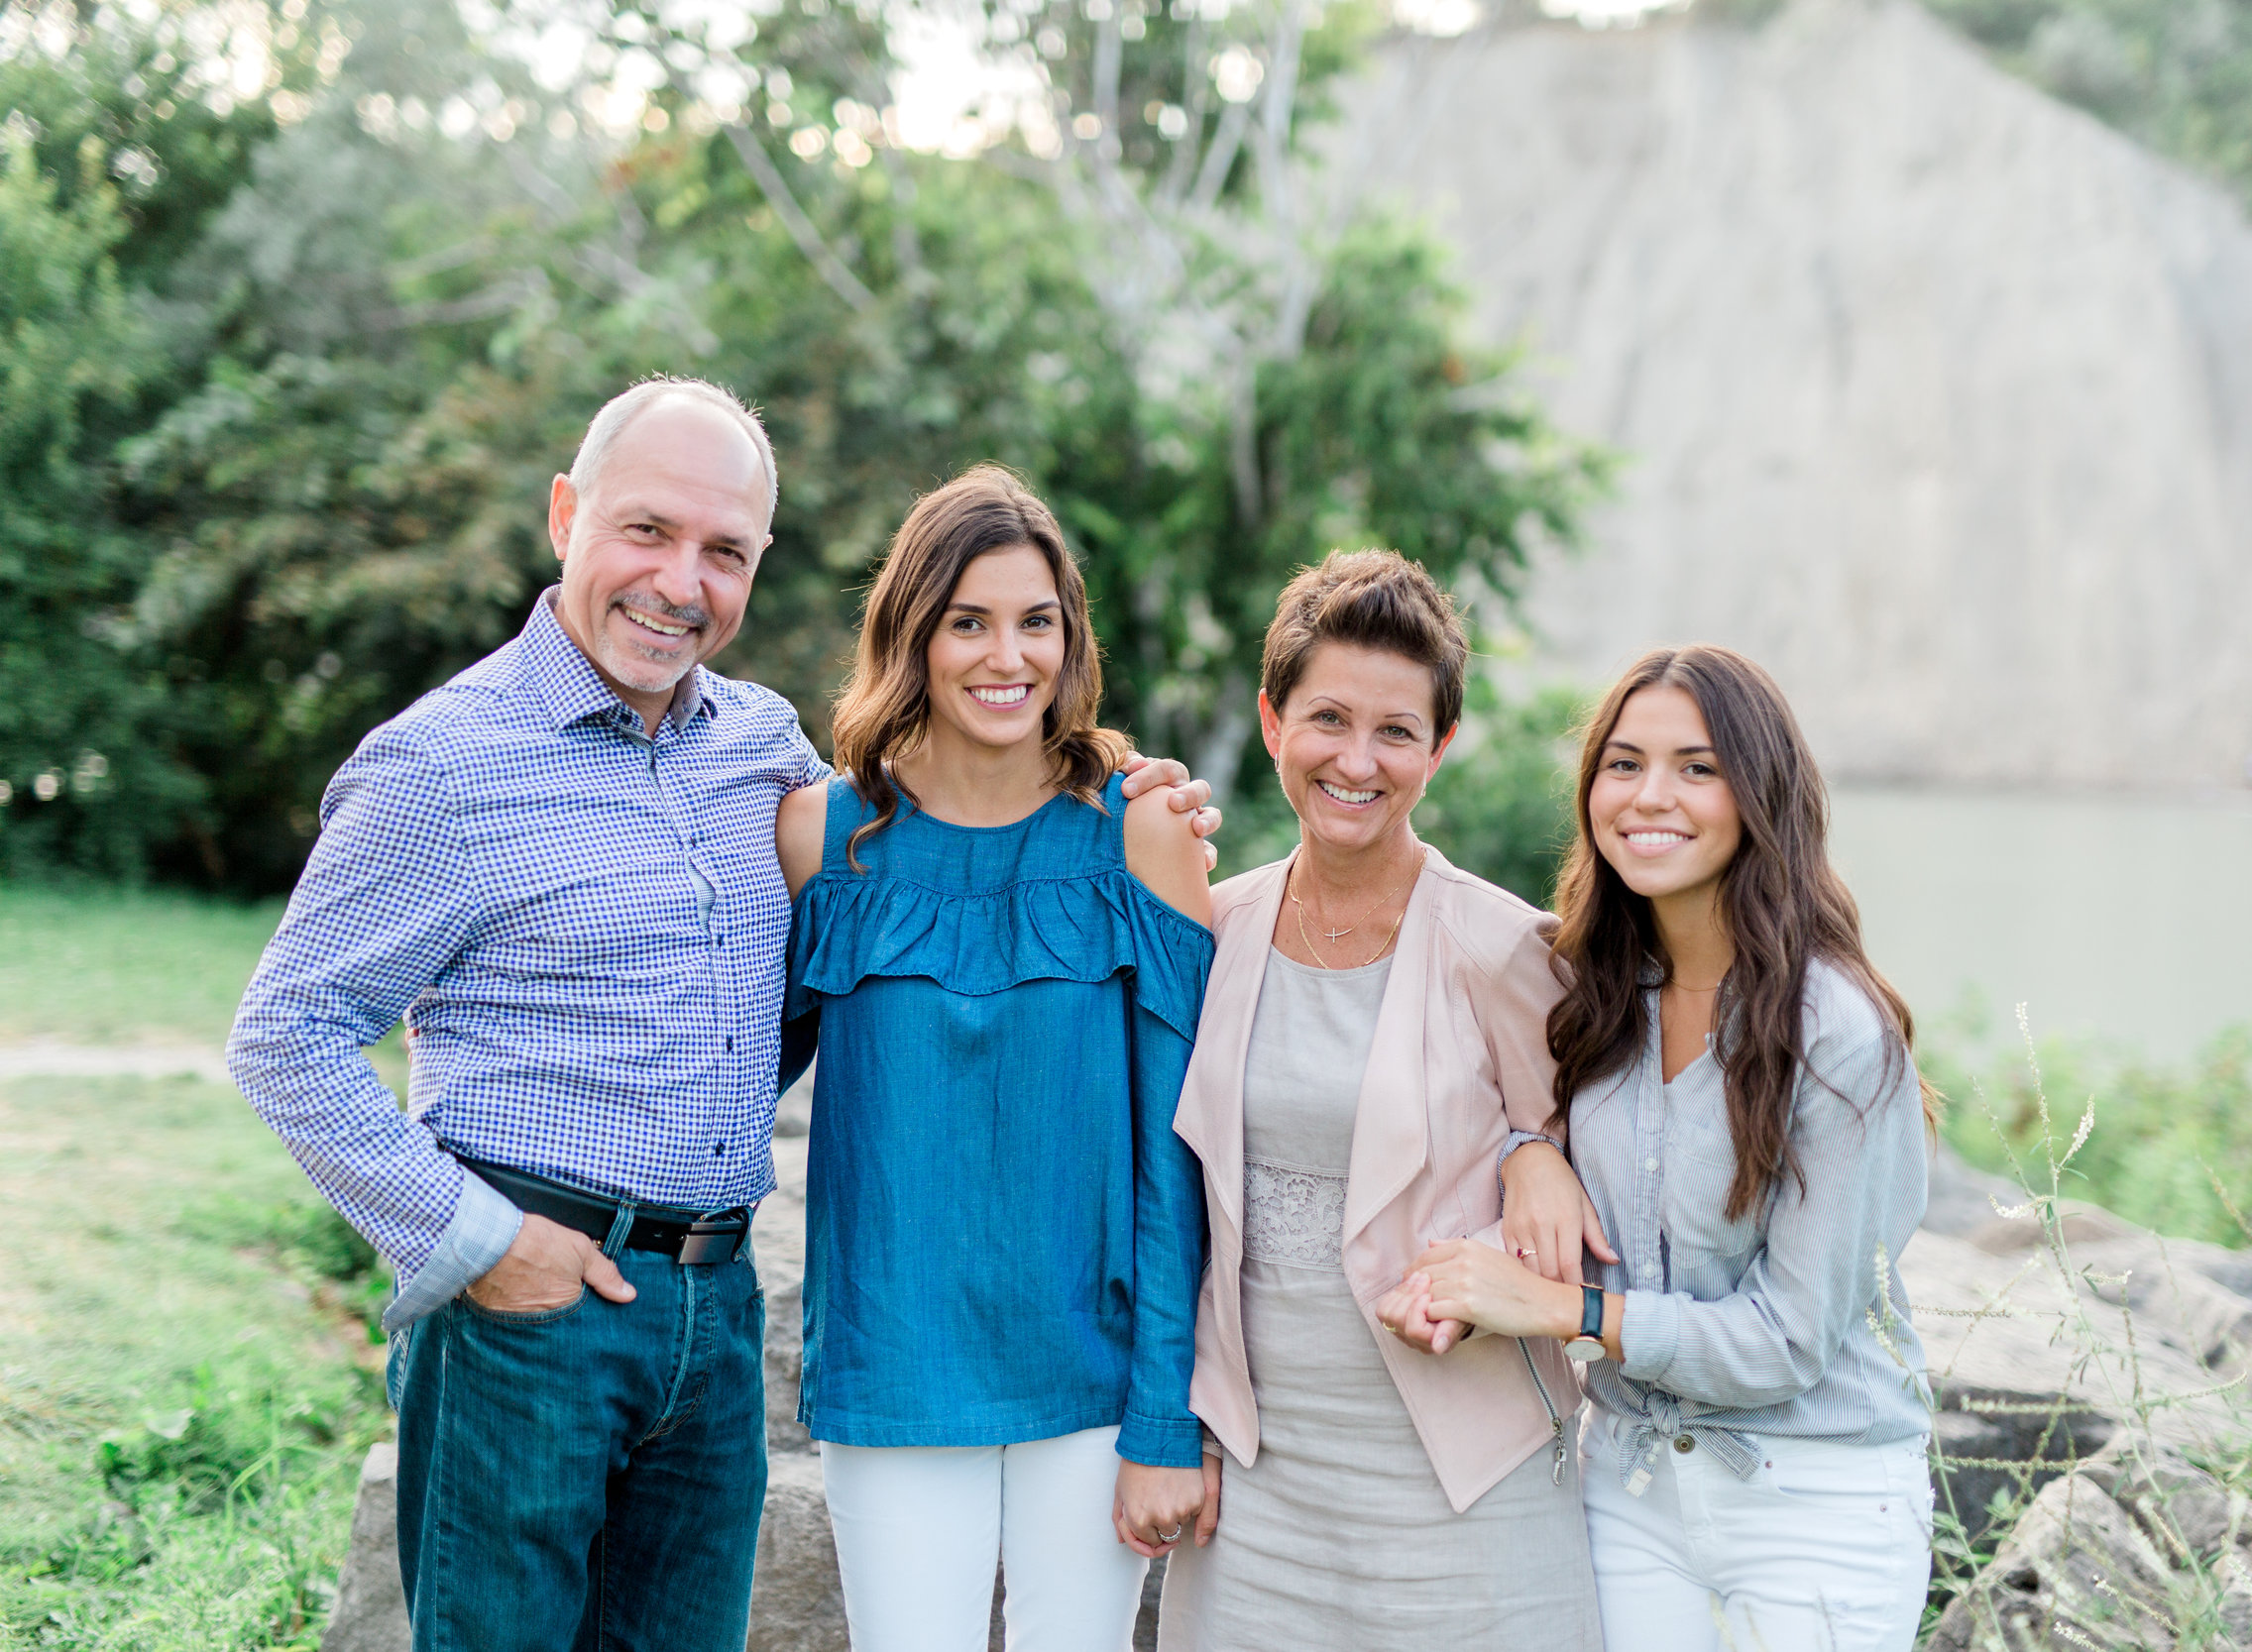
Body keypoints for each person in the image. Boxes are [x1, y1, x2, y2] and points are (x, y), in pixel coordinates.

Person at [227, 384, 1217, 1652]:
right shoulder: (444, 761)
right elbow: (287, 1030)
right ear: (565, 516)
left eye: (724, 551)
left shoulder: (758, 753)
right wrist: (473, 1237)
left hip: (713, 1310)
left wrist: (1136, 794)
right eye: (647, 532)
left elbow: (873, 936)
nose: (679, 581)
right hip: (528, 1307)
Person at [1378, 644, 1939, 1652]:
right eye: (1623, 762)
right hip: (1628, 1487)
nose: (1649, 796)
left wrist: (1561, 1309)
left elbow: (1788, 1338)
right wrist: (1524, 1151)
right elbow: (1476, 1074)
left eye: (1696, 766)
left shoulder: (1838, 1032)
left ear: (1758, 794)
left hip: (1815, 1501)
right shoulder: (1586, 989)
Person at [773, 466, 1214, 1652]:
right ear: (911, 634)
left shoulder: (1144, 834)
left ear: (1071, 638)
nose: (1003, 655)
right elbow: (731, 1069)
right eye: (966, 620)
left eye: (1035, 620)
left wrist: (1166, 1414)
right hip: (894, 1357)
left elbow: (1182, 1155)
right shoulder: (820, 835)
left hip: (1091, 1373)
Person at [1156, 550, 1605, 1651]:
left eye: (1396, 731)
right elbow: (1162, 1189)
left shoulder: (1502, 945)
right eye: (1327, 719)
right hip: (1255, 1489)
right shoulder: (1211, 927)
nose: (1357, 760)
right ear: (1271, 722)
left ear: (1439, 747)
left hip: (1462, 1477)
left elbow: (1603, 1177)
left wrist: (1528, 1156)